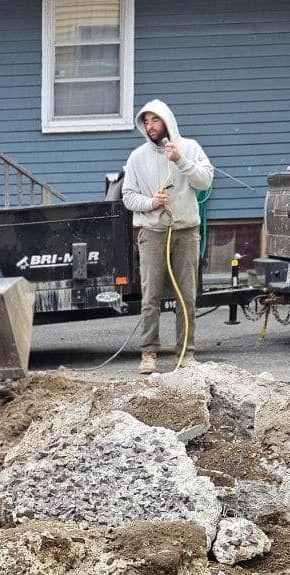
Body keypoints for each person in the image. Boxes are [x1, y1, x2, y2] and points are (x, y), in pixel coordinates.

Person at [122, 100, 213, 375]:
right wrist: (151, 203)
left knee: (187, 295)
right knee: (151, 295)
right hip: (152, 233)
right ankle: (149, 352)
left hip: (185, 232)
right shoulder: (137, 157)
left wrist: (180, 160)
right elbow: (127, 196)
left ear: (167, 121)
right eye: (146, 122)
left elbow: (205, 181)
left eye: (155, 120)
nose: (150, 126)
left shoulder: (190, 148)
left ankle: (185, 354)